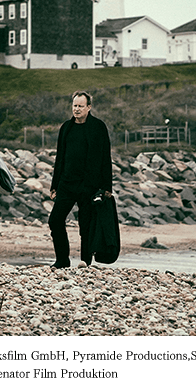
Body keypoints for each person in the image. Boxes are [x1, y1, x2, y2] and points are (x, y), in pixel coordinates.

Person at [49, 90, 113, 268]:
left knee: (86, 226)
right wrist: (54, 186)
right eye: (74, 106)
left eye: (80, 106)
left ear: (89, 107)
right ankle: (62, 259)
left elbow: (105, 158)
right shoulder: (66, 128)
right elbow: (60, 158)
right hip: (67, 183)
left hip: (89, 185)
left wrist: (107, 187)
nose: (76, 109)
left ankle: (85, 261)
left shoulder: (98, 127)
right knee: (55, 221)